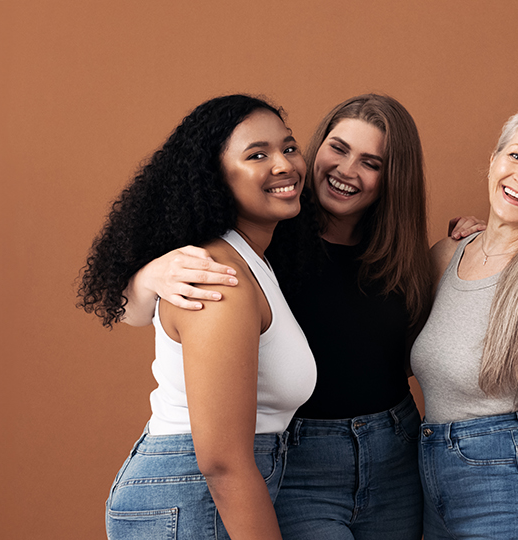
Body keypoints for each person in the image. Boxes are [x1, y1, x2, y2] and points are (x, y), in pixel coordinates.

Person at [119, 94, 433, 540]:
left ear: (393, 179)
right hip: (300, 455)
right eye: (338, 149)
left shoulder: (401, 258)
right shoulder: (266, 233)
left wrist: (481, 239)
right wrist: (151, 274)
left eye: (371, 162)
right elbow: (141, 311)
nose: (346, 170)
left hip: (393, 449)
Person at [78, 94, 314, 540]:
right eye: (257, 155)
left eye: (288, 147)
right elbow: (223, 462)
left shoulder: (254, 259)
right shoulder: (217, 277)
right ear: (216, 178)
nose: (283, 164)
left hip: (206, 493)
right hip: (193, 497)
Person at [413, 106, 518, 540]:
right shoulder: (444, 257)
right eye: (515, 156)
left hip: (503, 483)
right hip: (429, 474)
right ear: (493, 161)